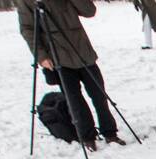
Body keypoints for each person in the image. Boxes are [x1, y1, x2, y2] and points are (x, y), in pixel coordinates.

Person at [15, 0, 124, 150]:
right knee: (75, 101)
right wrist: (41, 56)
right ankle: (87, 136)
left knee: (99, 94)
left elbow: (89, 11)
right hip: (57, 57)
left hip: (82, 51)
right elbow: (27, 29)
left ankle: (110, 132)